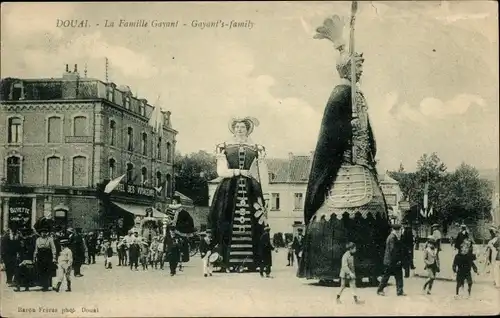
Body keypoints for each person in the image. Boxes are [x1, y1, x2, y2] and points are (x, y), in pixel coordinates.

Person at [298, 16, 389, 285]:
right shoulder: (340, 94)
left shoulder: (358, 95)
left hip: (363, 167)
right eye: (357, 65)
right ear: (348, 68)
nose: (361, 69)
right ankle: (332, 271)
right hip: (344, 169)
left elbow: (368, 136)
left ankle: (369, 268)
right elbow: (329, 139)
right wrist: (344, 128)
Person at [207, 116, 270, 273]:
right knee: (225, 219)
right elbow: (221, 170)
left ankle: (253, 262)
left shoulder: (257, 147)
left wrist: (266, 194)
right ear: (233, 129)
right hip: (229, 187)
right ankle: (223, 261)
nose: (240, 129)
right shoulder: (224, 146)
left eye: (243, 127)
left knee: (255, 222)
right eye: (237, 127)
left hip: (251, 188)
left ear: (248, 129)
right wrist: (237, 172)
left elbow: (262, 171)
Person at [377, 224, 405, 296]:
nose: (400, 232)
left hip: (391, 260)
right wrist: (397, 260)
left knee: (396, 275)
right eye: (399, 230)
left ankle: (399, 291)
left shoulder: (392, 236)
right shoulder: (392, 237)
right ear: (397, 230)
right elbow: (393, 250)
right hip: (392, 261)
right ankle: (380, 290)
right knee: (388, 276)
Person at [14, 228, 36, 292]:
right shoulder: (19, 239)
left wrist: (25, 247)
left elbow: (32, 249)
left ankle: (27, 287)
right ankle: (18, 286)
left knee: (27, 272)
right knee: (18, 272)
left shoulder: (30, 240)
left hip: (28, 258)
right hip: (20, 258)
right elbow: (17, 248)